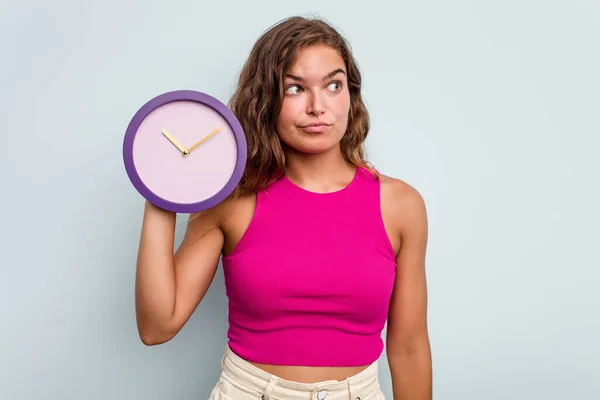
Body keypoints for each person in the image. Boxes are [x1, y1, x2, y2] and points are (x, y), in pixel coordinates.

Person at [134, 15, 432, 400]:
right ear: (266, 100)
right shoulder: (231, 201)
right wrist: (159, 191)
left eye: (333, 85)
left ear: (351, 95)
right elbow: (157, 327)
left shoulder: (400, 205)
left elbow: (408, 348)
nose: (317, 107)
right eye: (294, 89)